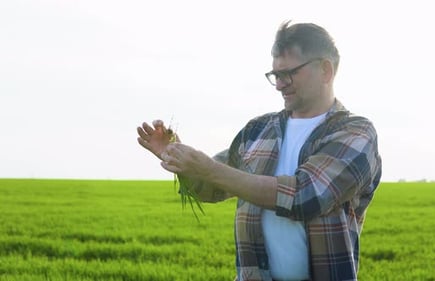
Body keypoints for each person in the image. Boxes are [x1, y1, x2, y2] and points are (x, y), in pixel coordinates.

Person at [137, 20, 382, 281]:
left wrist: (209, 168)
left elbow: (305, 195)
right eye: (276, 75)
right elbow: (211, 185)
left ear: (325, 70)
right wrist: (175, 156)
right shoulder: (258, 130)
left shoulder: (355, 133)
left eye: (290, 73)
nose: (279, 84)